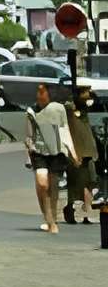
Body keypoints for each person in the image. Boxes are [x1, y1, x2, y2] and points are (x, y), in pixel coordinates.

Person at [24, 82, 76, 233]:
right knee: (42, 184)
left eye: (43, 92)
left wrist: (72, 152)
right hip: (38, 152)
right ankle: (48, 217)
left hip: (56, 152)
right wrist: (28, 153)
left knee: (53, 186)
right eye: (38, 92)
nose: (40, 95)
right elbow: (29, 135)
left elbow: (64, 130)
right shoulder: (31, 111)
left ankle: (51, 218)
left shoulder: (58, 109)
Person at [62, 88, 97, 224]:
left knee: (89, 183)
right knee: (75, 184)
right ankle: (71, 209)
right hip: (76, 153)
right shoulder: (70, 111)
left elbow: (91, 101)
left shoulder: (84, 112)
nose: (88, 95)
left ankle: (86, 213)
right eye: (85, 92)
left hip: (88, 153)